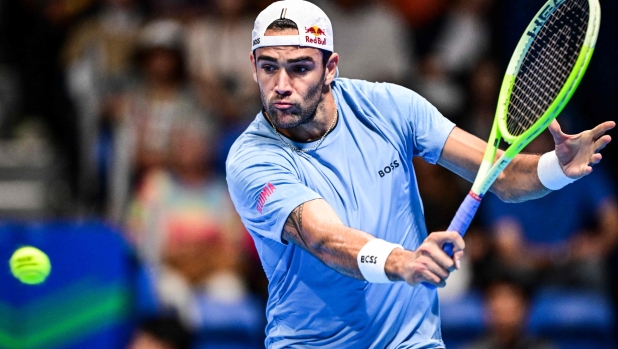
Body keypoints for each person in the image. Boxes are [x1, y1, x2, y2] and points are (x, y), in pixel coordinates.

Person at [225, 1, 615, 347]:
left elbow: (504, 175)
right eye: (268, 67)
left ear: (330, 68)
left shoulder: (389, 106)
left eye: (299, 68)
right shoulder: (251, 158)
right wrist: (403, 263)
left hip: (410, 341)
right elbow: (324, 238)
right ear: (253, 66)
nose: (281, 86)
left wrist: (558, 168)